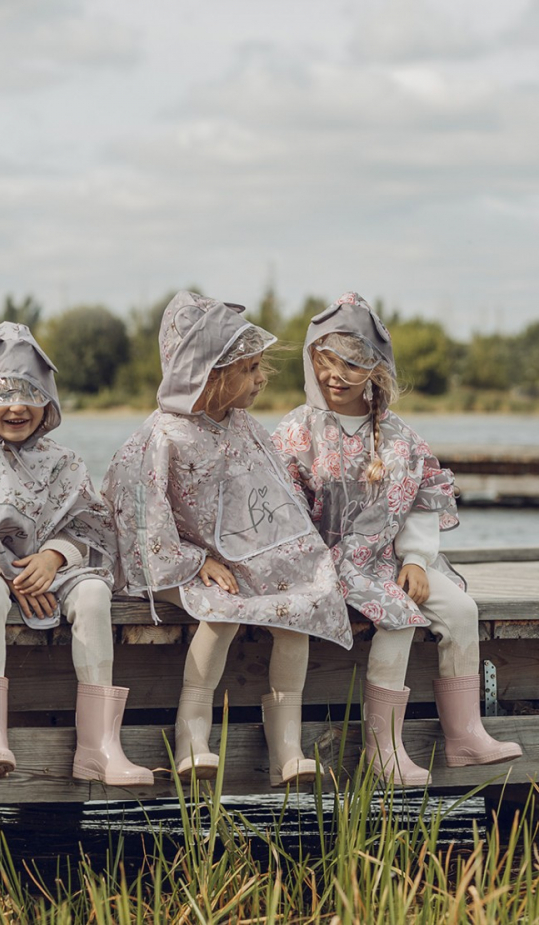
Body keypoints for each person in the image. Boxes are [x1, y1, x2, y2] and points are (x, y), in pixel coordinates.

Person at [102, 291, 352, 787]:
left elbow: (275, 496)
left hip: (240, 561)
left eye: (259, 368)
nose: (262, 379)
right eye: (250, 369)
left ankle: (287, 746)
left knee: (300, 608)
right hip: (176, 566)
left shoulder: (246, 428)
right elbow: (141, 518)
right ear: (209, 375)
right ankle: (192, 734)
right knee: (220, 615)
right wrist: (195, 562)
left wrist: (289, 553)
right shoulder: (163, 436)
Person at [272, 291, 522, 787]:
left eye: (350, 364)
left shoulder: (398, 436)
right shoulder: (299, 430)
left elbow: (422, 497)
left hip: (388, 558)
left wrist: (416, 560)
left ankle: (465, 734)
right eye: (324, 361)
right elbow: (284, 507)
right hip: (328, 561)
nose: (334, 376)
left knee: (461, 610)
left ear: (375, 368)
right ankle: (382, 749)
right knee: (398, 613)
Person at [0, 321, 153, 786]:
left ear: (48, 400)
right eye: (3, 393)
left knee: (94, 592)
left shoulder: (63, 462)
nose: (17, 406)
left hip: (42, 571)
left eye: (31, 392)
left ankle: (99, 747)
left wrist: (53, 557)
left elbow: (92, 529)